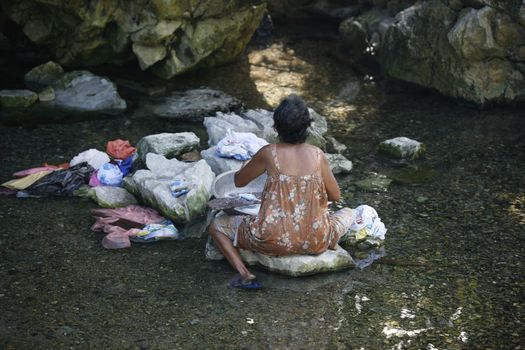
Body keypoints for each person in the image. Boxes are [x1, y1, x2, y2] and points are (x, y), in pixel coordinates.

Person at [209, 94, 354, 289]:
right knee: (350, 212)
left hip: (271, 238)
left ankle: (245, 274)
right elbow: (336, 196)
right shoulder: (318, 155)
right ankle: (331, 242)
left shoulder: (269, 153)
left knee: (216, 225)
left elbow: (239, 181)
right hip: (316, 239)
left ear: (276, 126)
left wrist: (248, 164)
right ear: (306, 127)